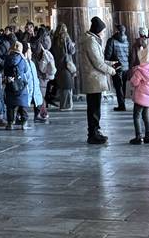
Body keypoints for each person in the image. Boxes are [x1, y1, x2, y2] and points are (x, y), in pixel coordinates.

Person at [80, 16, 116, 145]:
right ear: (98, 30)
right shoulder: (91, 41)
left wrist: (110, 63)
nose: (104, 33)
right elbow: (97, 63)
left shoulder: (92, 40)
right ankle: (93, 134)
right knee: (94, 109)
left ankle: (95, 132)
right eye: (103, 31)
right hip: (93, 79)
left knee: (95, 108)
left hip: (95, 79)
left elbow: (99, 60)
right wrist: (112, 71)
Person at [128, 43, 149, 145]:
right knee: (146, 116)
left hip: (140, 97)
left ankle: (138, 137)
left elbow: (134, 82)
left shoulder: (140, 70)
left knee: (136, 116)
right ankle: (148, 136)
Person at [3, 41, 30, 130]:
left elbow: (4, 70)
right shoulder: (22, 59)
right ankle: (24, 122)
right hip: (20, 84)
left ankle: (10, 123)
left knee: (10, 105)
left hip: (10, 84)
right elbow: (26, 70)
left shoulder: (7, 58)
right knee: (22, 103)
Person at [104, 25, 129, 111]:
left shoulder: (111, 40)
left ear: (117, 31)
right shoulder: (126, 40)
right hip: (126, 66)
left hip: (117, 65)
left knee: (118, 86)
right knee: (123, 86)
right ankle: (122, 103)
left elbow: (107, 55)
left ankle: (121, 105)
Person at [51, 22, 76, 110]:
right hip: (66, 65)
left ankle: (63, 104)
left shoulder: (54, 39)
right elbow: (71, 51)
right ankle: (66, 105)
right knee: (67, 86)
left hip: (58, 65)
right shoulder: (66, 37)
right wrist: (73, 45)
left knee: (62, 86)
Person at [22, 40, 48, 122]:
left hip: (34, 86)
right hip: (27, 87)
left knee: (38, 100)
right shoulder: (23, 62)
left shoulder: (32, 63)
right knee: (23, 103)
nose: (31, 52)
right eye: (29, 49)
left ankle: (38, 114)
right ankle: (21, 117)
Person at [31, 30, 55, 119]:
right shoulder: (40, 45)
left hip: (38, 72)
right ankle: (40, 113)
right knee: (40, 94)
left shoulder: (35, 44)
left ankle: (40, 113)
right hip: (41, 74)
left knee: (39, 94)